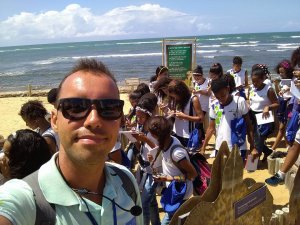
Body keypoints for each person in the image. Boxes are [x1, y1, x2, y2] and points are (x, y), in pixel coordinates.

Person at [0, 58, 143, 225]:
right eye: (75, 107)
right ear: (54, 120)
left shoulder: (125, 180)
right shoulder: (25, 199)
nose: (93, 120)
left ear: (119, 120)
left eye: (109, 108)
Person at [148, 116, 197, 225]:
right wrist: (153, 161)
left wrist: (168, 178)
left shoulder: (177, 153)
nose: (151, 136)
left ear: (156, 135)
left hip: (181, 194)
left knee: (170, 220)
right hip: (173, 192)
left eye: (152, 133)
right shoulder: (167, 142)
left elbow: (193, 174)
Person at [200, 76, 255, 161]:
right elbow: (211, 128)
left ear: (228, 89)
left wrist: (252, 145)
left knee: (236, 172)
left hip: (238, 147)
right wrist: (203, 147)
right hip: (220, 147)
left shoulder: (239, 101)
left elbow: (248, 125)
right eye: (217, 97)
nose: (221, 99)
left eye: (223, 95)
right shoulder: (214, 105)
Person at [132, 93, 161, 225]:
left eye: (141, 117)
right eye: (137, 116)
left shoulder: (155, 128)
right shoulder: (142, 127)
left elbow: (159, 149)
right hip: (144, 167)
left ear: (149, 116)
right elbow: (140, 148)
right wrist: (136, 140)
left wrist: (145, 139)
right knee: (152, 203)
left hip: (153, 171)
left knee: (144, 203)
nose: (138, 119)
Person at [248, 64, 279, 161]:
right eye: (253, 81)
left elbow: (276, 103)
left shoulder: (268, 90)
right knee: (252, 139)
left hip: (263, 116)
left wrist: (268, 107)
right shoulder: (252, 88)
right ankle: (268, 152)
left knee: (258, 141)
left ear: (263, 79)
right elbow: (250, 99)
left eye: (257, 81)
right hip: (252, 115)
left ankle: (252, 164)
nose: (254, 83)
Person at [167, 79, 204, 147]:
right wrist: (170, 112)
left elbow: (201, 118)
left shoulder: (193, 99)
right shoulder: (177, 100)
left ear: (181, 93)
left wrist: (184, 116)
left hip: (188, 136)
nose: (174, 98)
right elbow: (177, 115)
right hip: (176, 133)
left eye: (175, 96)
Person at [272, 60, 294, 151]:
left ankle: (274, 148)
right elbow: (280, 92)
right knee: (283, 127)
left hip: (290, 105)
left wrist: (289, 88)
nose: (280, 74)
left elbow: (294, 91)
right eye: (279, 72)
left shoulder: (294, 80)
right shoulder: (282, 81)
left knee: (283, 127)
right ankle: (287, 145)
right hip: (282, 104)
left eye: (282, 72)